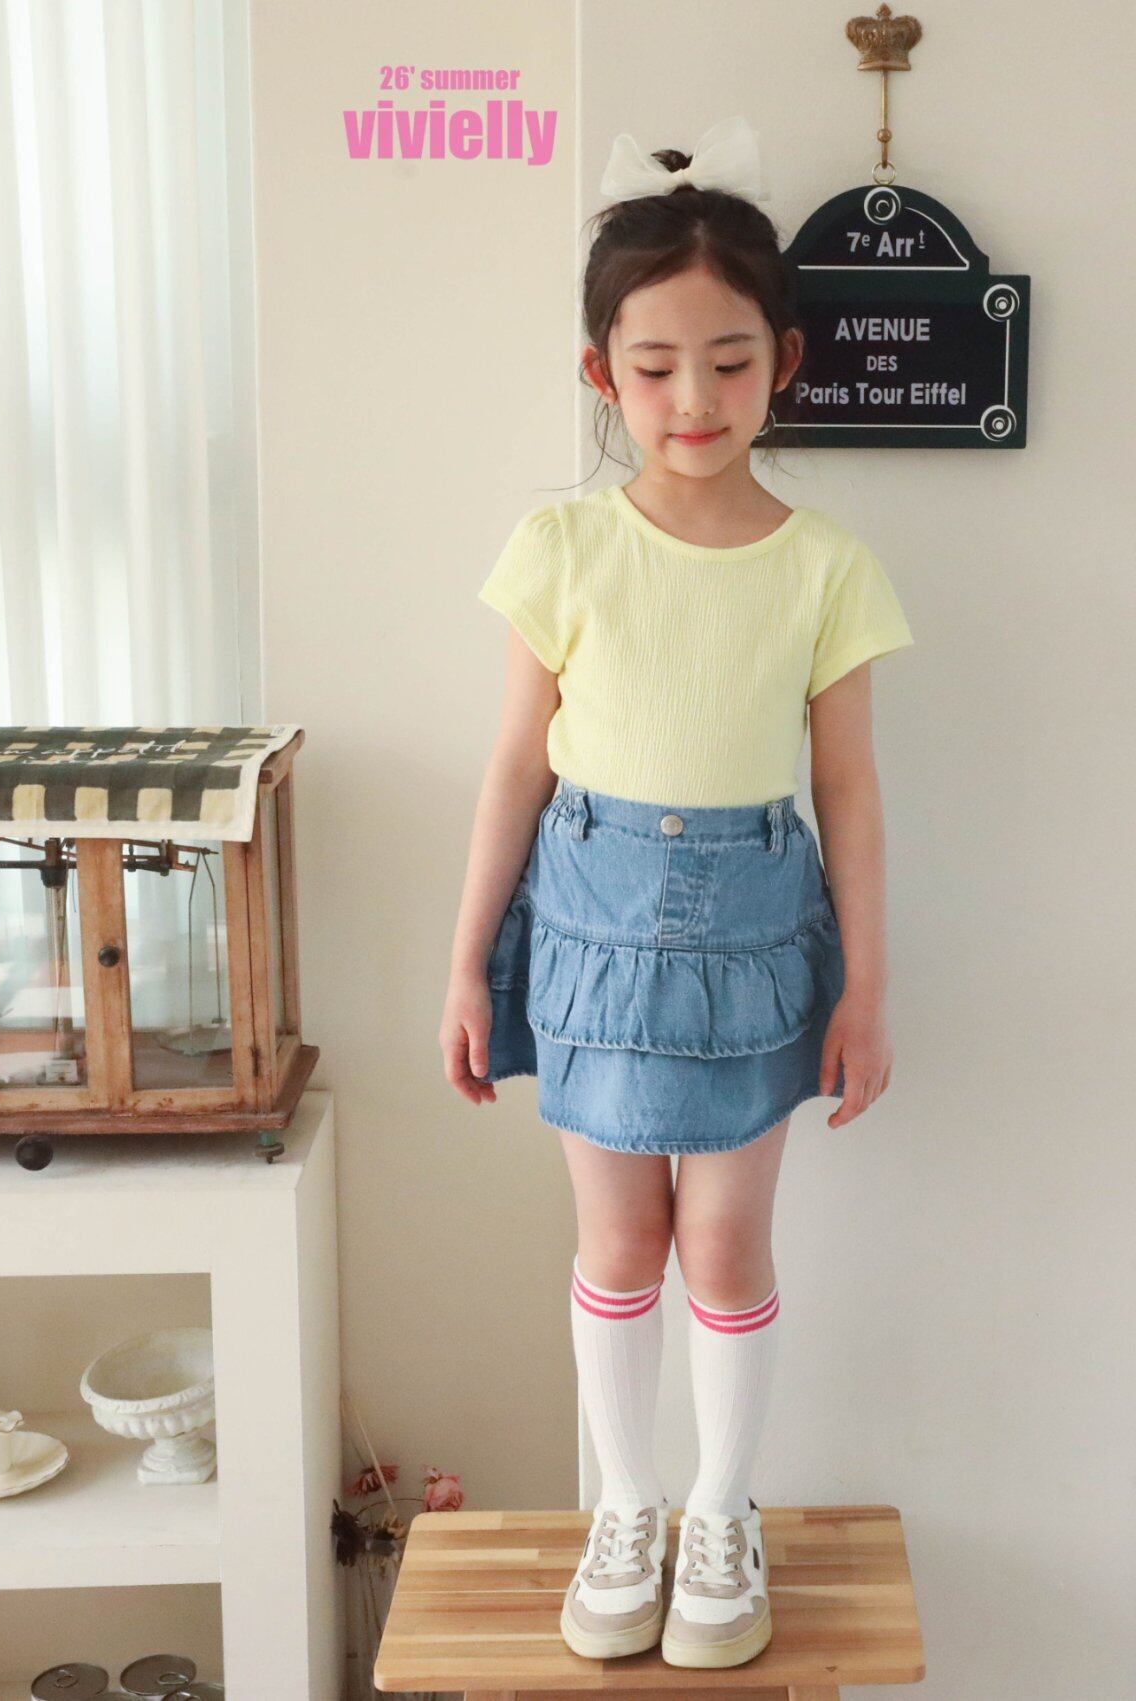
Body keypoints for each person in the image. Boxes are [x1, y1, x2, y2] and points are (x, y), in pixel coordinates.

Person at [438, 117, 915, 1671]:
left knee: (721, 1243)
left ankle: (720, 1508)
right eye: (655, 366)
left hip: (755, 934)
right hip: (587, 926)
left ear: (784, 362)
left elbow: (849, 792)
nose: (693, 397)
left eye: (727, 360)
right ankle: (626, 1507)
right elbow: (512, 771)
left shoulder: (825, 564)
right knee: (619, 1241)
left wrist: (867, 989)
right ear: (603, 375)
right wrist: (465, 964)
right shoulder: (562, 545)